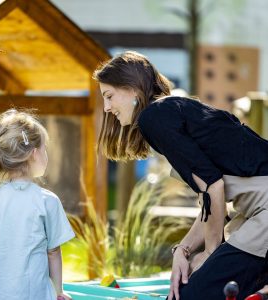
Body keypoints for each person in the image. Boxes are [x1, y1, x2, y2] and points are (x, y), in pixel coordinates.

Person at [93, 51, 268, 300]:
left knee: (192, 294)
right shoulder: (171, 111)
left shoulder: (153, 117)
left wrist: (209, 253)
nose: (107, 108)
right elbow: (210, 201)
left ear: (132, 89)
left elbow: (213, 188)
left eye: (109, 96)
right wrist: (183, 251)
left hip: (264, 209)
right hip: (256, 210)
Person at [0, 109, 75, 300]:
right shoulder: (47, 201)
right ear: (33, 154)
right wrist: (58, 292)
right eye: (44, 148)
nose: (46, 153)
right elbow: (53, 252)